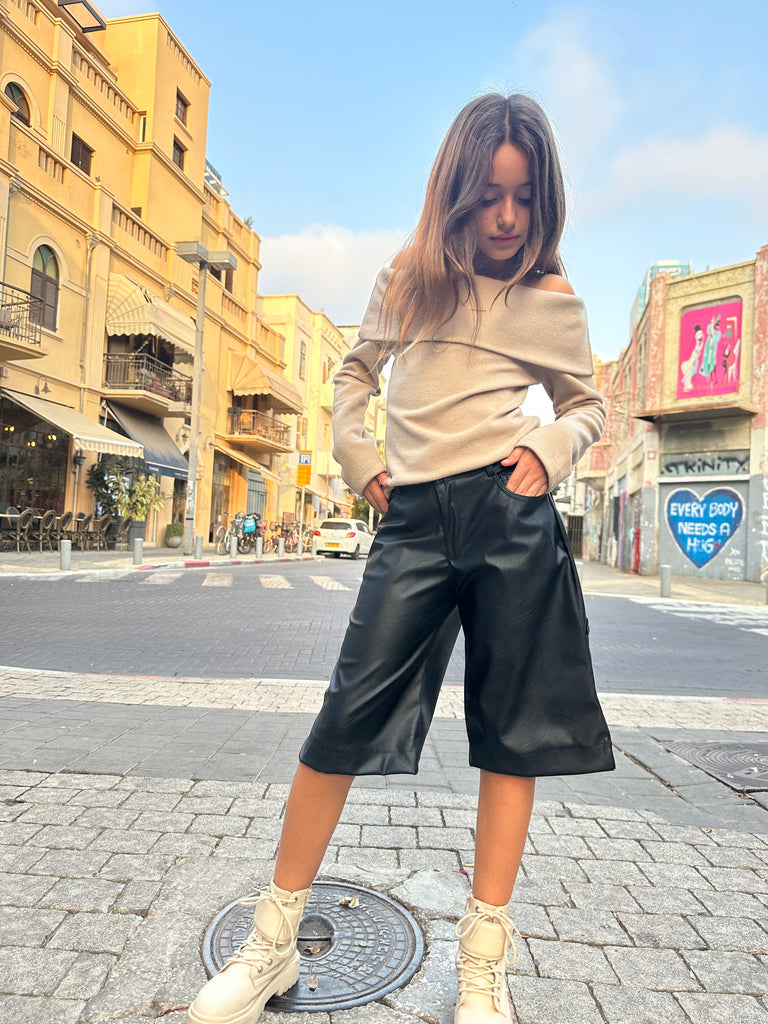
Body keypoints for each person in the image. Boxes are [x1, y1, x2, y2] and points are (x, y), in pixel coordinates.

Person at [188, 92, 615, 1024]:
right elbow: (354, 371)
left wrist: (548, 450)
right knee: (344, 717)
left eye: (526, 197)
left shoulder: (552, 299)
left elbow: (587, 404)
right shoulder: (408, 278)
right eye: (488, 196)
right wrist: (358, 458)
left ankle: (482, 967)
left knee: (512, 737)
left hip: (510, 516)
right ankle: (272, 944)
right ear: (454, 190)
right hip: (415, 519)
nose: (507, 218)